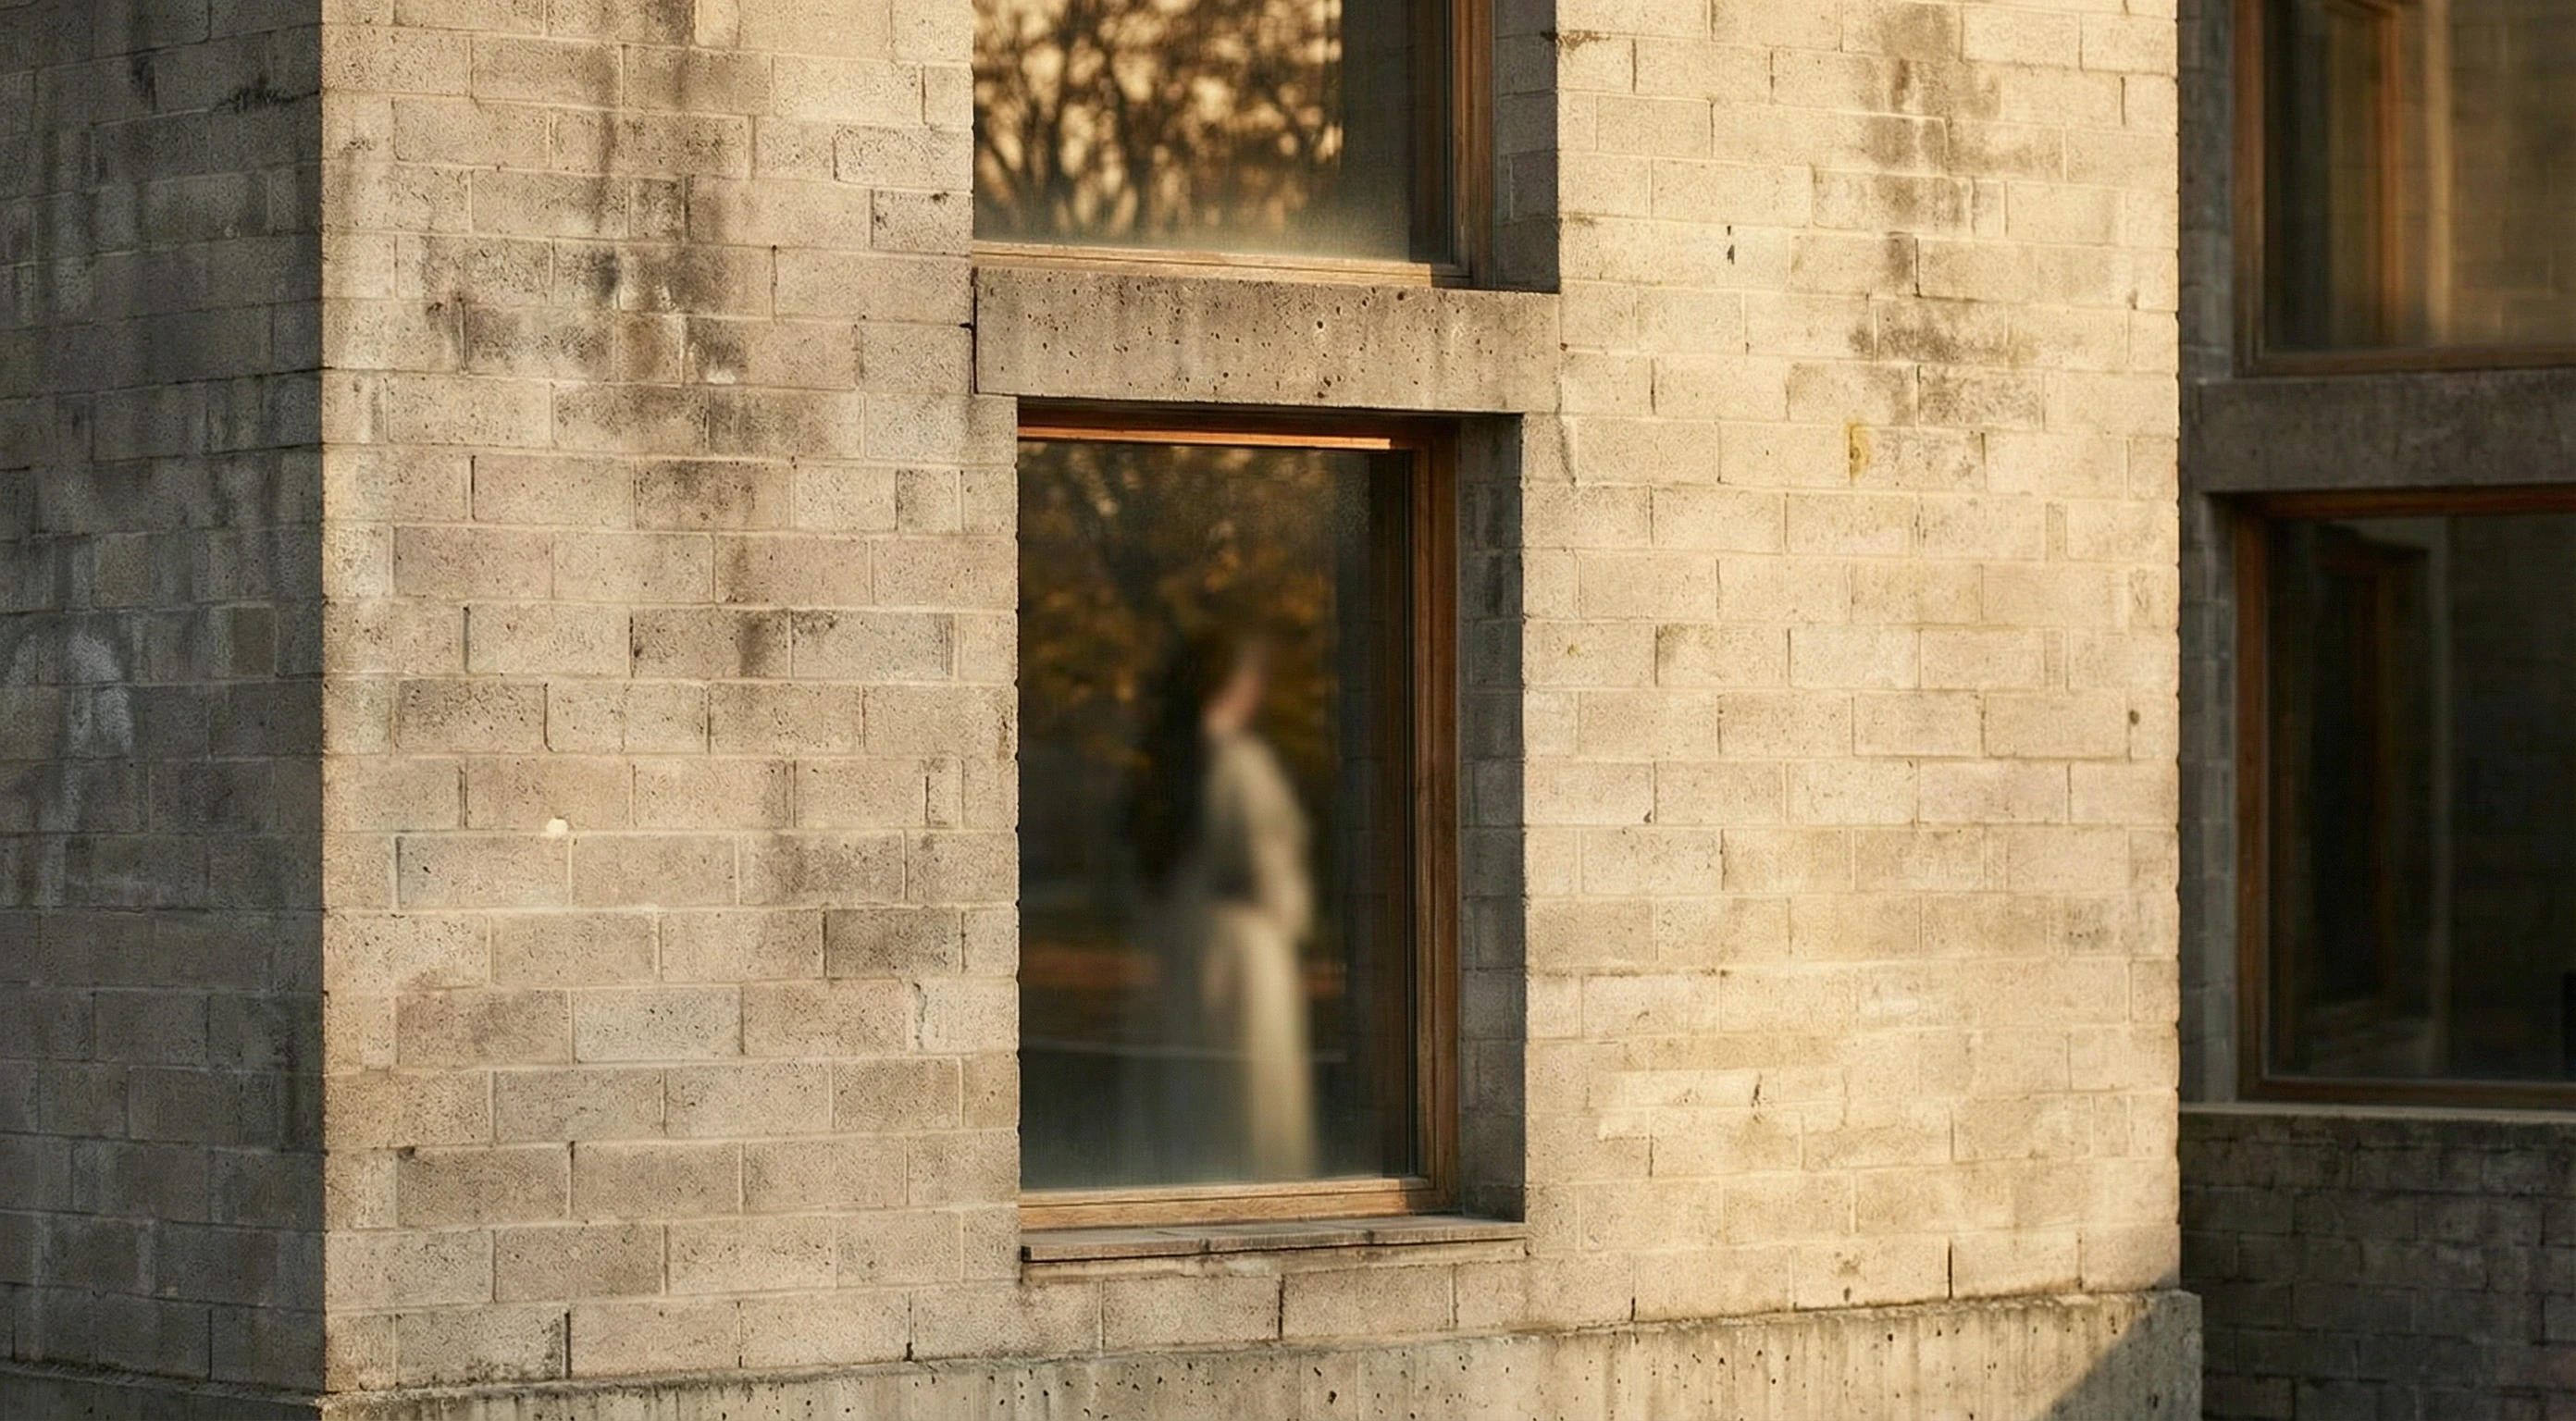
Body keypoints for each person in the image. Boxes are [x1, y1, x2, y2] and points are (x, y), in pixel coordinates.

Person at [1130, 631, 1319, 1180]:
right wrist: (1291, 913)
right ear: (1234, 684)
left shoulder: (1174, 762)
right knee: (1244, 1087)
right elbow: (1270, 868)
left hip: (1191, 938)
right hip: (1242, 946)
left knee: (1202, 1083)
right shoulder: (1238, 762)